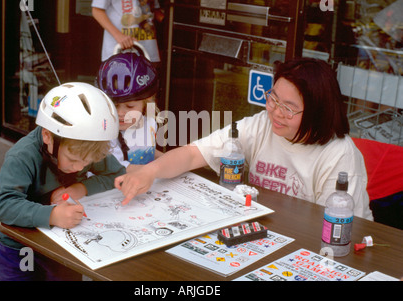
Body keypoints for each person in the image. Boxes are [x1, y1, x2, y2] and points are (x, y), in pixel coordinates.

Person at [115, 58, 373, 220]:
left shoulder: (340, 155)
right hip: (263, 227)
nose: (275, 112)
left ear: (317, 111)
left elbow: (338, 225)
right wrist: (149, 173)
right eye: (273, 99)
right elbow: (195, 153)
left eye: (289, 108)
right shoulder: (262, 124)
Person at [0, 82, 126, 281]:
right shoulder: (22, 156)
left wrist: (81, 188)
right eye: (72, 160)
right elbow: (3, 205)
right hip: (18, 248)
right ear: (48, 136)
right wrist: (52, 215)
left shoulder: (86, 146)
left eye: (87, 162)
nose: (80, 168)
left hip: (61, 245)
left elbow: (117, 175)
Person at [97, 51, 163, 172]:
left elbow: (148, 152)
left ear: (146, 103)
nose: (121, 113)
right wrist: (154, 170)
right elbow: (118, 169)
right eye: (114, 106)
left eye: (130, 106)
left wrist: (170, 161)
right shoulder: (103, 134)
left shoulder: (149, 123)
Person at [91, 0, 161, 65]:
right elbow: (97, 11)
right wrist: (120, 37)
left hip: (148, 51)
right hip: (118, 51)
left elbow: (154, 10)